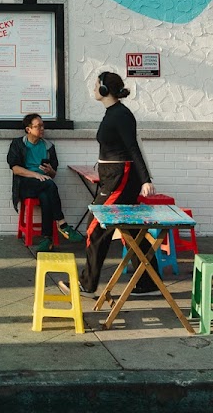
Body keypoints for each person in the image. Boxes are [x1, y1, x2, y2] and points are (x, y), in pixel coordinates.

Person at [73, 70, 161, 296]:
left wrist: (145, 180)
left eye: (96, 85)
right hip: (113, 176)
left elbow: (133, 147)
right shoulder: (113, 113)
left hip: (120, 176)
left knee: (95, 226)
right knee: (132, 229)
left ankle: (87, 284)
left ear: (105, 89)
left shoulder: (121, 115)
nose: (94, 89)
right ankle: (149, 282)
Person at [7, 113, 82, 252]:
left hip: (44, 184)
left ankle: (47, 239)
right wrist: (36, 175)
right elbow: (15, 169)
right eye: (38, 126)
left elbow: (53, 174)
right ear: (28, 129)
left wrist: (50, 170)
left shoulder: (48, 146)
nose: (42, 129)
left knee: (46, 196)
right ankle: (62, 223)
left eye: (42, 126)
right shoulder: (18, 144)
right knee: (49, 184)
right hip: (25, 184)